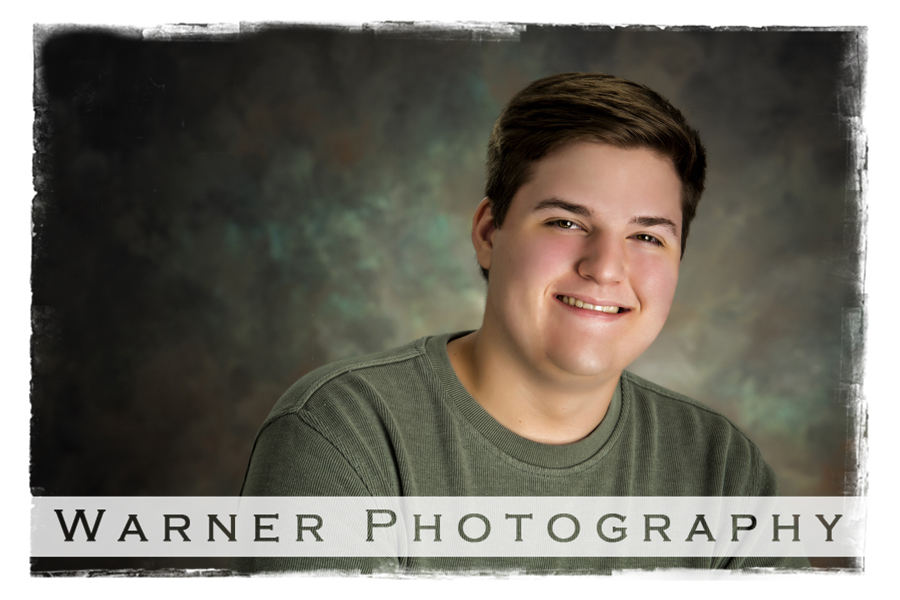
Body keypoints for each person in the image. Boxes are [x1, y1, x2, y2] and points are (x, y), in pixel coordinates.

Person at [238, 72, 807, 573]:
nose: (605, 267)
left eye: (646, 236)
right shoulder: (344, 432)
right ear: (490, 233)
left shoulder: (721, 468)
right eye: (565, 222)